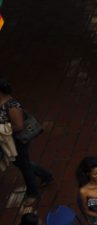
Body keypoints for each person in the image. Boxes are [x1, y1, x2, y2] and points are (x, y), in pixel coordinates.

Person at [0, 78, 54, 208]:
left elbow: (19, 126)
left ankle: (33, 193)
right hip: (8, 142)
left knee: (23, 166)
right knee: (22, 163)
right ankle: (46, 175)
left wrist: (3, 129)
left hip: (17, 142)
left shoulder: (12, 105)